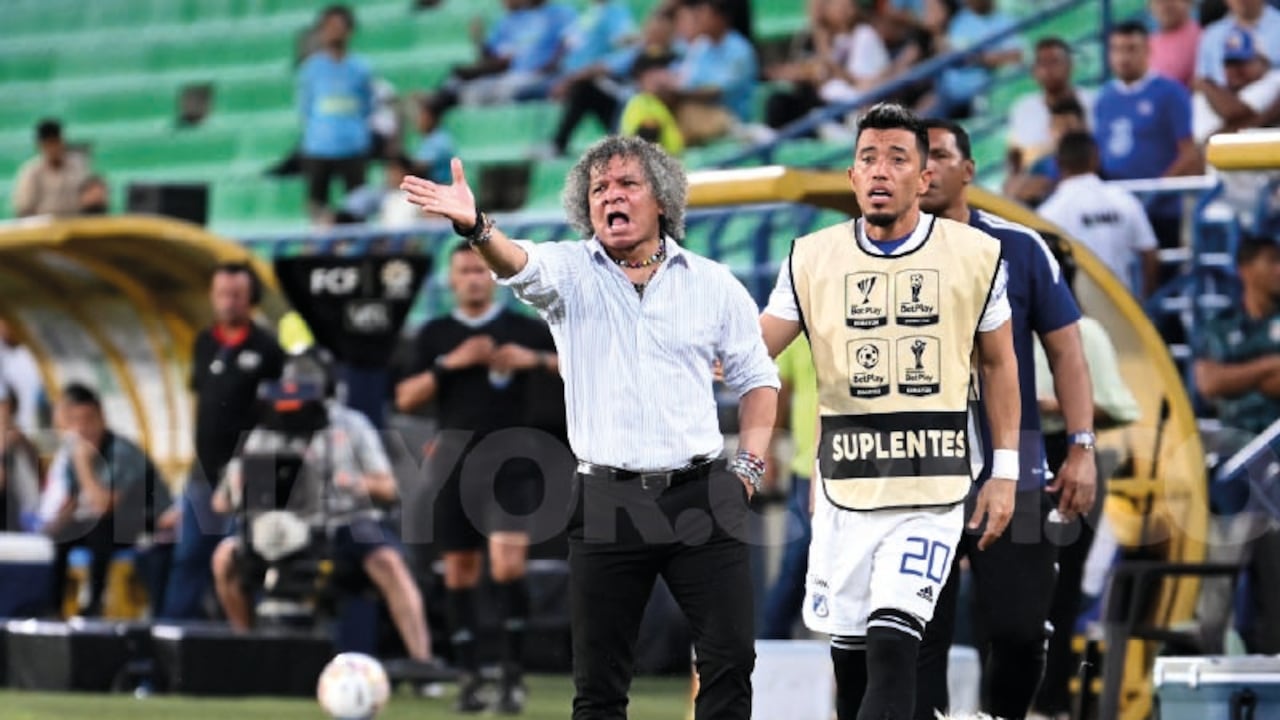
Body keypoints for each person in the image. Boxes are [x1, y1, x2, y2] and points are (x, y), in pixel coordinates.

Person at [400, 134, 780, 720]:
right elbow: (515, 260)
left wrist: (748, 470)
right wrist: (476, 226)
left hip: (702, 494)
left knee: (730, 662)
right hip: (607, 499)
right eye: (598, 188)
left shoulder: (714, 283)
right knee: (599, 686)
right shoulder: (570, 272)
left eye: (627, 184)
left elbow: (759, 380)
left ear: (661, 200)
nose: (611, 196)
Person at [756, 103, 1021, 720]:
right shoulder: (810, 258)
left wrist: (1004, 469)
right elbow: (750, 350)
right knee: (850, 666)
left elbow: (1002, 363)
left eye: (898, 158)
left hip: (932, 492)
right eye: (867, 158)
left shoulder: (977, 255)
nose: (880, 170)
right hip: (843, 493)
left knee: (895, 647)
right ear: (852, 177)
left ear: (923, 178)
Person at [910, 119, 1096, 720]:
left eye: (939, 155)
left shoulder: (1019, 247)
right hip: (915, 477)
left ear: (969, 170)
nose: (927, 168)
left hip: (1012, 473)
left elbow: (1067, 351)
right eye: (918, 157)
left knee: (1019, 633)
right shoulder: (876, 255)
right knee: (914, 638)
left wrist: (1082, 445)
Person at [394, 243, 567, 714]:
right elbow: (406, 399)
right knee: (459, 571)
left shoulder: (522, 331)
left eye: (479, 269)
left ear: (492, 277)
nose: (472, 277)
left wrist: (533, 361)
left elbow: (577, 367)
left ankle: (512, 676)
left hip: (511, 461)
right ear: (451, 280)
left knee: (508, 566)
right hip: (453, 462)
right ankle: (470, 676)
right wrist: (452, 363)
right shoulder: (435, 335)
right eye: (463, 271)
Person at [210, 352, 440, 671]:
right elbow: (220, 503)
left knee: (387, 561)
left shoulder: (351, 425)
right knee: (223, 559)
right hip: (279, 531)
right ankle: (249, 651)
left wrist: (351, 483)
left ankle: (422, 661)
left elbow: (388, 489)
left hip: (344, 524)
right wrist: (237, 487)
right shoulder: (264, 432)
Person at [1030, 233, 1142, 719]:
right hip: (1014, 458)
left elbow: (1119, 408)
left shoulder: (1087, 333)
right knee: (1013, 587)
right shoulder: (1002, 331)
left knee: (1064, 584)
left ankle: (1050, 700)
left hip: (1071, 453)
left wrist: (1053, 407)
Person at [160, 263, 286, 620]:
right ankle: (172, 641)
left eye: (236, 295)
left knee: (243, 559)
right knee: (188, 557)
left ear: (252, 300)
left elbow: (275, 417)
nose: (228, 303)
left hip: (251, 472)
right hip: (204, 472)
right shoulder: (205, 342)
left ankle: (248, 642)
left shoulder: (268, 349)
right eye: (221, 295)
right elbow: (199, 400)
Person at [1192, 234, 1280, 655]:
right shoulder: (1221, 322)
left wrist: (1239, 374)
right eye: (1272, 261)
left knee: (1274, 588)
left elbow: (1229, 380)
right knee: (1218, 581)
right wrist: (1269, 364)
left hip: (1275, 465)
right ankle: (1208, 668)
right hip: (1234, 470)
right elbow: (1210, 383)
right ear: (1246, 268)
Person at [44, 383, 171, 617]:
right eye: (76, 421)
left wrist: (83, 464)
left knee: (100, 528)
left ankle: (94, 605)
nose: (83, 428)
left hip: (149, 522)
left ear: (102, 416)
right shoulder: (75, 451)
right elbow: (72, 502)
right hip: (111, 524)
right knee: (63, 535)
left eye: (89, 419)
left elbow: (104, 505)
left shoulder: (121, 451)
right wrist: (54, 526)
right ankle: (54, 609)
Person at [1093, 21, 1201, 252]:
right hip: (1114, 212)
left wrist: (1154, 193)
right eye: (1117, 49)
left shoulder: (1170, 92)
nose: (1124, 57)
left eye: (1131, 49)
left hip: (1160, 210)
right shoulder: (1104, 98)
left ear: (1148, 51)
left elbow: (1190, 154)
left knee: (1161, 275)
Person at [1037, 132, 1161, 299]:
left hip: (1074, 312)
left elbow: (1039, 273)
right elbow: (1150, 253)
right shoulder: (1123, 200)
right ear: (1096, 159)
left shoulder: (1048, 213)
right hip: (1121, 309)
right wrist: (1145, 301)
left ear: (1058, 164)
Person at [758, 336, 818, 640]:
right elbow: (782, 390)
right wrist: (768, 448)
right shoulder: (799, 323)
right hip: (807, 469)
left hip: (858, 473)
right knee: (796, 567)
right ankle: (769, 651)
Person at [297, 4, 375, 223]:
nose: (333, 31)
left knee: (358, 207)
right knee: (316, 204)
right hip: (318, 147)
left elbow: (368, 106)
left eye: (338, 26)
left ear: (349, 31)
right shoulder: (311, 69)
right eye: (328, 27)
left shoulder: (362, 68)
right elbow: (305, 107)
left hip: (353, 146)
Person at [1006, 37, 1096, 178]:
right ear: (1033, 71)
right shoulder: (1022, 108)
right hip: (1033, 186)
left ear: (1070, 65)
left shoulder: (1093, 102)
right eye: (1042, 63)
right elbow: (1014, 155)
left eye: (1054, 62)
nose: (1048, 70)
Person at [12, 118, 91, 218]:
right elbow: (23, 209)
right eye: (49, 144)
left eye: (56, 142)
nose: (53, 148)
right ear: (40, 146)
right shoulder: (31, 172)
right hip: (43, 227)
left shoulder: (78, 166)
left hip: (75, 223)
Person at [1149, 0, 1202, 88]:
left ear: (1189, 3)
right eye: (1159, 1)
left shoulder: (1202, 37)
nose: (1166, 6)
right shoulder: (1147, 43)